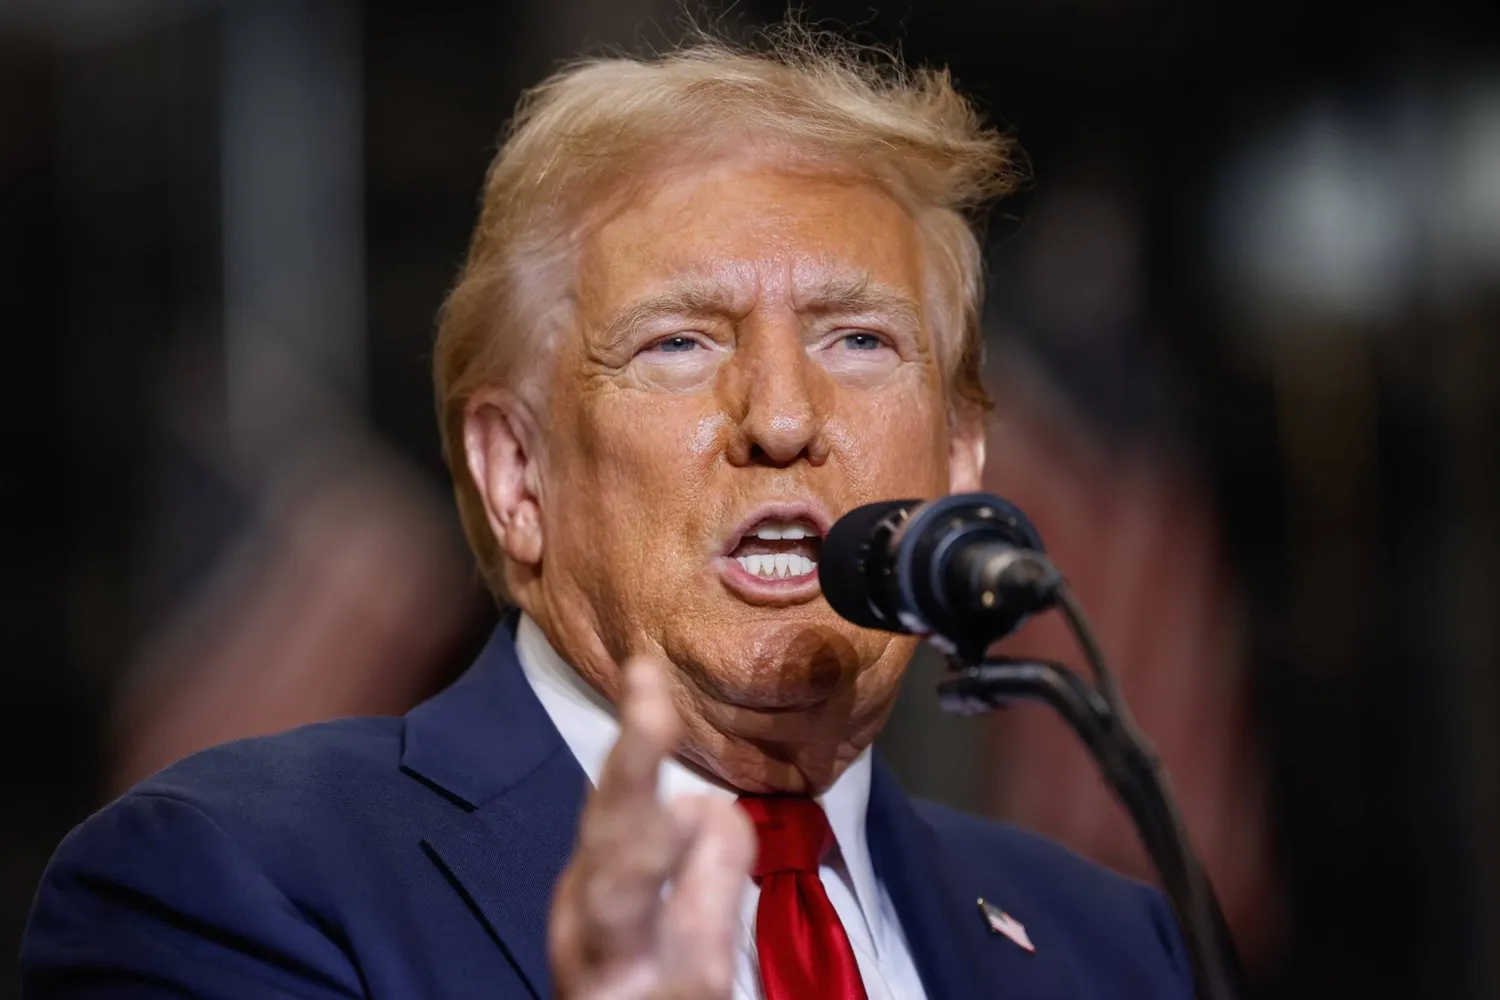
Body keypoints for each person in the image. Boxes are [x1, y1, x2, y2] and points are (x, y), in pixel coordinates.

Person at [22, 27, 1195, 1000]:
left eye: (858, 339)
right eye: (681, 342)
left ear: (957, 462)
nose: (783, 415)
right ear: (516, 476)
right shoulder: (224, 886)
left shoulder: (1116, 950)